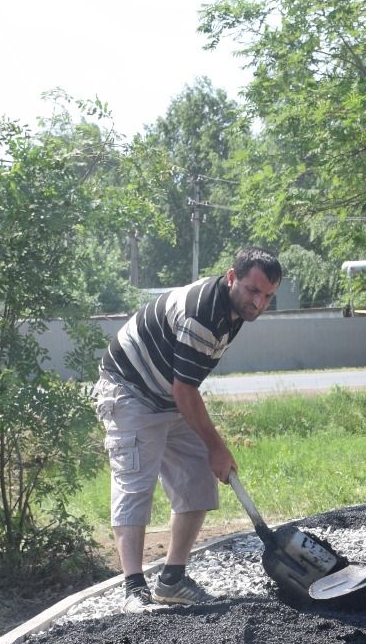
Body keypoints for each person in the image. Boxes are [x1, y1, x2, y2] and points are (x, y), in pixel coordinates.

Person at [95, 247, 281, 611]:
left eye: (268, 296)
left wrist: (211, 448)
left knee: (197, 478)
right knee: (135, 485)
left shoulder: (236, 310)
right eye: (252, 290)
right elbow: (185, 389)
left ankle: (172, 580)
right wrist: (217, 445)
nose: (258, 303)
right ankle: (134, 590)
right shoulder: (203, 314)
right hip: (131, 388)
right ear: (231, 278)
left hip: (169, 392)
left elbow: (184, 386)